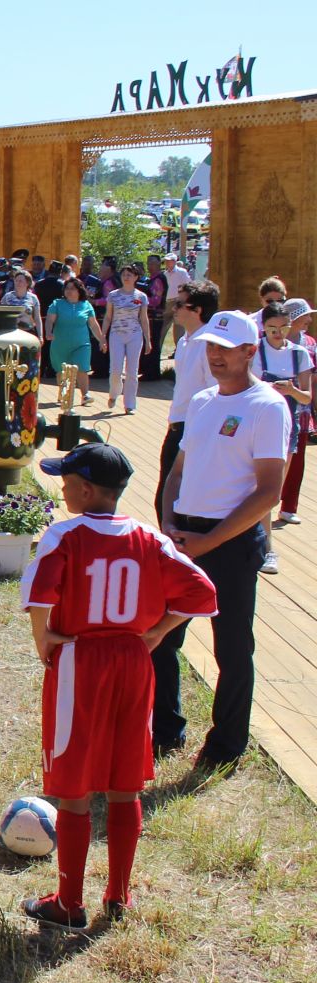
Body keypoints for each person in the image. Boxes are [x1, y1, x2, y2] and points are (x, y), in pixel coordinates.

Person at [18, 444, 217, 930]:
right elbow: (203, 593)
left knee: (74, 786)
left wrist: (44, 640)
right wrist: (156, 632)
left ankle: (67, 903)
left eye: (66, 480)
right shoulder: (150, 537)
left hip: (81, 660)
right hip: (133, 661)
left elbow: (40, 595)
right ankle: (118, 895)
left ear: (86, 490)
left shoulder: (64, 535)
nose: (61, 487)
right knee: (124, 784)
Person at [159, 310, 289, 770]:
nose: (215, 355)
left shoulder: (267, 406)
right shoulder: (203, 400)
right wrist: (169, 526)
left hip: (229, 543)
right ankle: (164, 733)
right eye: (211, 346)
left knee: (231, 647)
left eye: (226, 348)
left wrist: (209, 540)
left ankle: (226, 745)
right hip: (185, 537)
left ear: (251, 351)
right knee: (160, 638)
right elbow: (176, 473)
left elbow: (268, 492)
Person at [157, 281, 218, 516]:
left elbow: (215, 391)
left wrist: (201, 430)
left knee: (174, 499)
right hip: (178, 423)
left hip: (194, 428)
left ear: (198, 310)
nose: (175, 308)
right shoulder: (184, 341)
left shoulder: (208, 344)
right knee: (167, 497)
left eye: (180, 304)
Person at [253, 303, 311, 533]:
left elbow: (306, 398)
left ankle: (262, 541)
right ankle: (262, 544)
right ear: (263, 327)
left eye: (283, 327)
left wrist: (291, 390)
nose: (277, 333)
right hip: (259, 421)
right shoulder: (255, 351)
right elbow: (246, 387)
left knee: (273, 490)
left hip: (288, 424)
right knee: (255, 485)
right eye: (271, 328)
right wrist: (269, 387)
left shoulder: (300, 354)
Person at [101, 264, 152, 413]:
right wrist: (103, 336)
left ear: (136, 277)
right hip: (116, 334)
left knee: (132, 371)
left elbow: (144, 319)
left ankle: (130, 404)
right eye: (124, 274)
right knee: (116, 370)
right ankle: (114, 393)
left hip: (134, 335)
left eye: (130, 274)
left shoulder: (141, 297)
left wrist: (147, 339)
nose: (126, 277)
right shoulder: (113, 295)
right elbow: (108, 317)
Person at [47, 280, 103, 404]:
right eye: (67, 288)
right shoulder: (57, 304)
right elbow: (50, 320)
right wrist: (48, 332)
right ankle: (63, 394)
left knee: (82, 367)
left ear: (79, 290)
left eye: (72, 288)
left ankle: (85, 395)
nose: (69, 291)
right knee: (61, 370)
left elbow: (93, 325)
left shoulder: (86, 305)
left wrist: (101, 339)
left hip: (81, 343)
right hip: (60, 343)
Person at [1, 269, 45, 343]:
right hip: (10, 334)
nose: (18, 283)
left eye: (21, 281)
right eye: (16, 280)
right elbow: (1, 315)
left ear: (27, 283)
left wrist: (40, 336)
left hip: (28, 333)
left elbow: (37, 318)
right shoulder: (7, 297)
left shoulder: (33, 298)